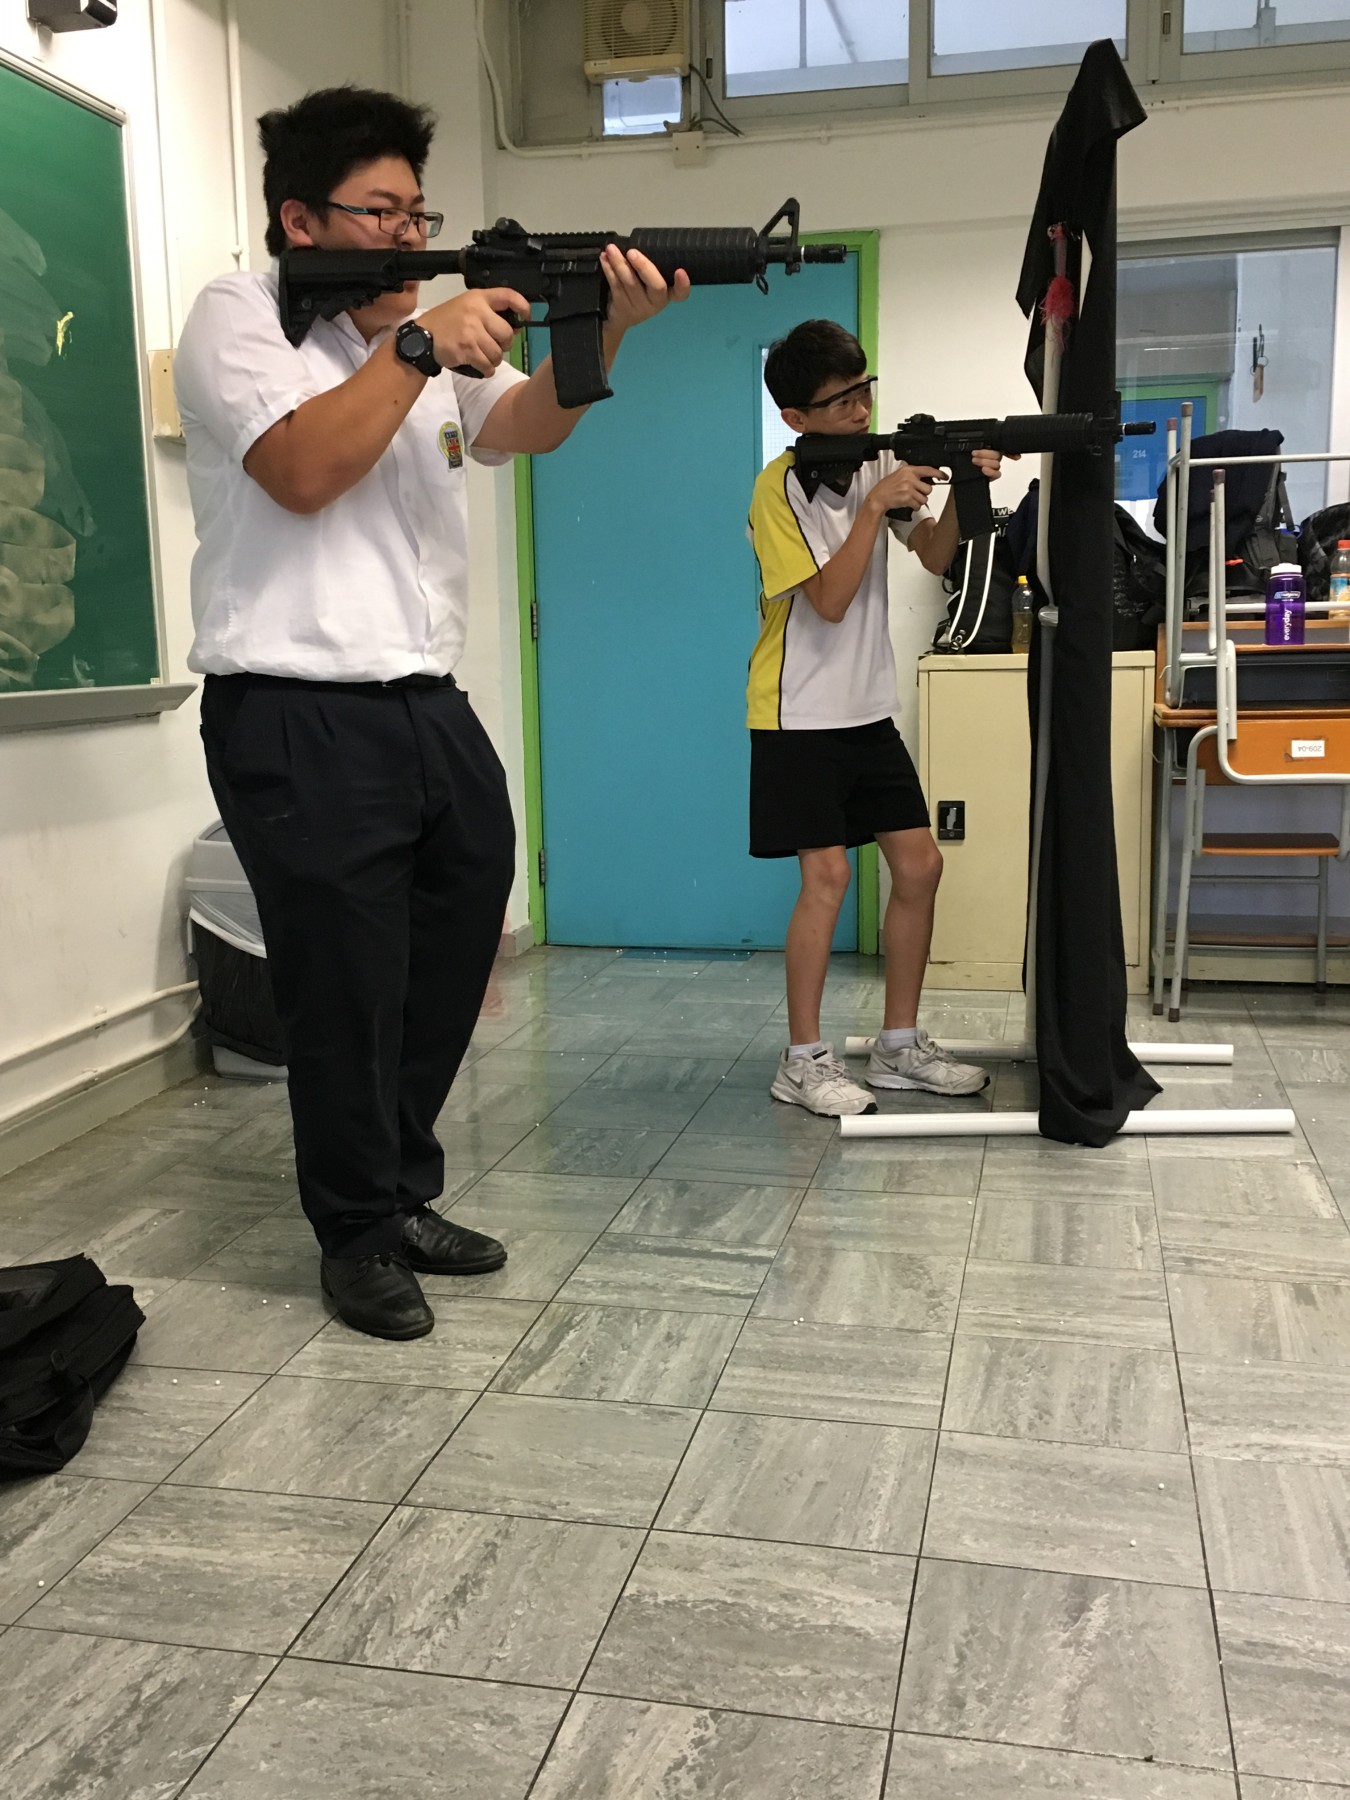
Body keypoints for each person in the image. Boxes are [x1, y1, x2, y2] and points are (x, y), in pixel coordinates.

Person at [175, 86, 687, 1339]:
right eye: (382, 212)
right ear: (300, 220)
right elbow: (301, 471)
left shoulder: (417, 335)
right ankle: (353, 1233)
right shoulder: (242, 317)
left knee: (456, 947)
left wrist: (602, 332)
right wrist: (414, 349)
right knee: (343, 986)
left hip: (424, 703)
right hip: (293, 709)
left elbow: (525, 427)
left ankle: (398, 1192)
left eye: (419, 212)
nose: (412, 237)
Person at [746, 319, 1004, 1117]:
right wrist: (872, 510)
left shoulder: (880, 462)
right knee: (826, 879)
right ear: (796, 418)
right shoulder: (777, 488)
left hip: (866, 707)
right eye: (841, 401)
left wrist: (963, 488)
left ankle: (898, 1046)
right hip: (796, 711)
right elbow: (827, 601)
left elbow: (935, 553)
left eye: (865, 390)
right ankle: (802, 1059)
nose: (861, 410)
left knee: (920, 867)